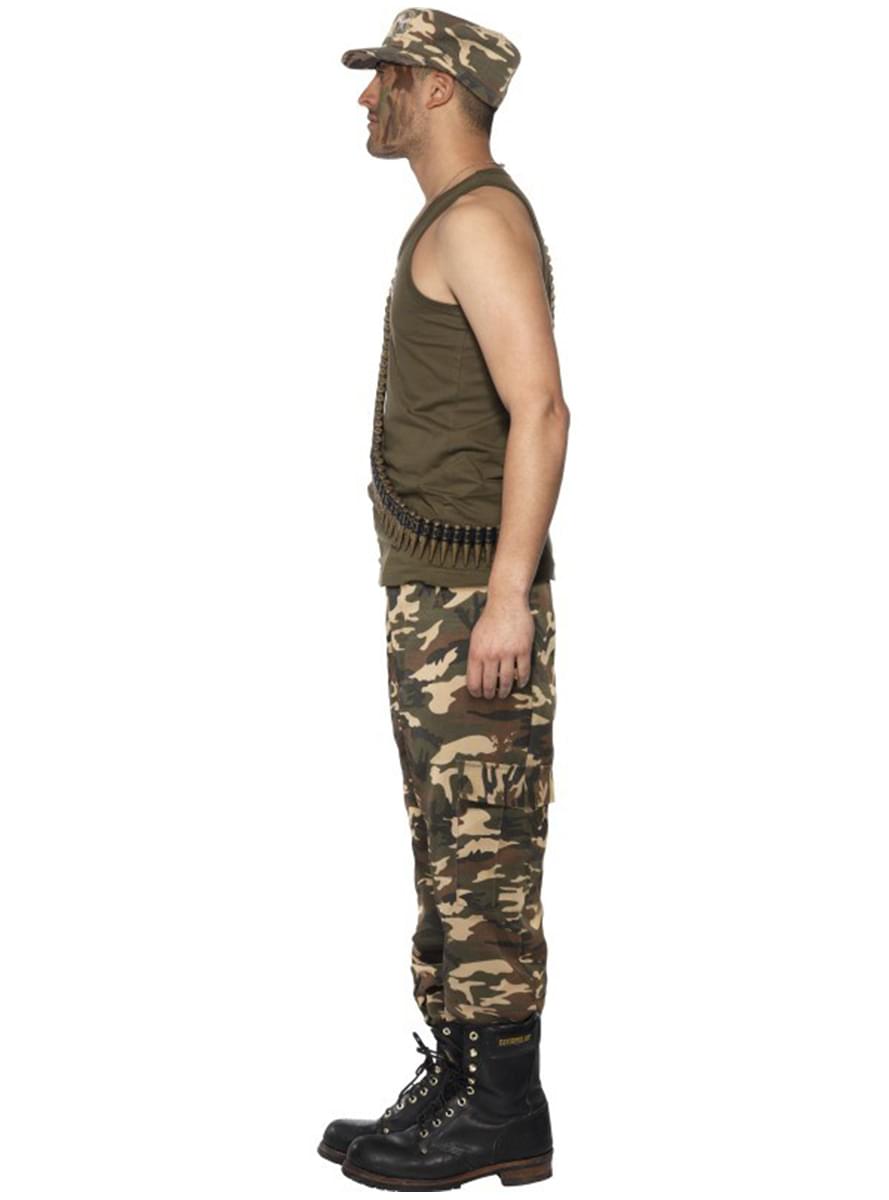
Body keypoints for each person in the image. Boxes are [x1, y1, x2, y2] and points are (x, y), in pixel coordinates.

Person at [318, 8, 570, 1190]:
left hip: (474, 600)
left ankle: (502, 1109)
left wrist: (505, 596)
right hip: (439, 596)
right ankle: (464, 1079)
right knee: (449, 855)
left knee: (486, 858)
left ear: (434, 88)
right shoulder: (452, 218)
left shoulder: (477, 220)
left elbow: (543, 410)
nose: (366, 98)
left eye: (385, 77)